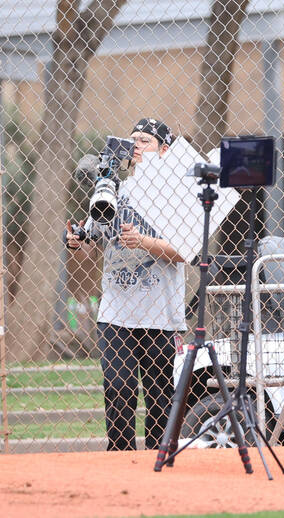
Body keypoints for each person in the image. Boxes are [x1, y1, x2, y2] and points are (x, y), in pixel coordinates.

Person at [65, 118, 188, 451]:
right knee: (118, 389)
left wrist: (143, 242)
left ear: (164, 150)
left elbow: (183, 252)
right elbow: (94, 232)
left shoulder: (177, 193)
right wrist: (77, 239)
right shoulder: (114, 188)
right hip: (116, 310)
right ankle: (119, 458)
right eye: (132, 139)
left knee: (160, 395)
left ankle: (159, 457)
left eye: (145, 140)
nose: (136, 145)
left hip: (160, 314)